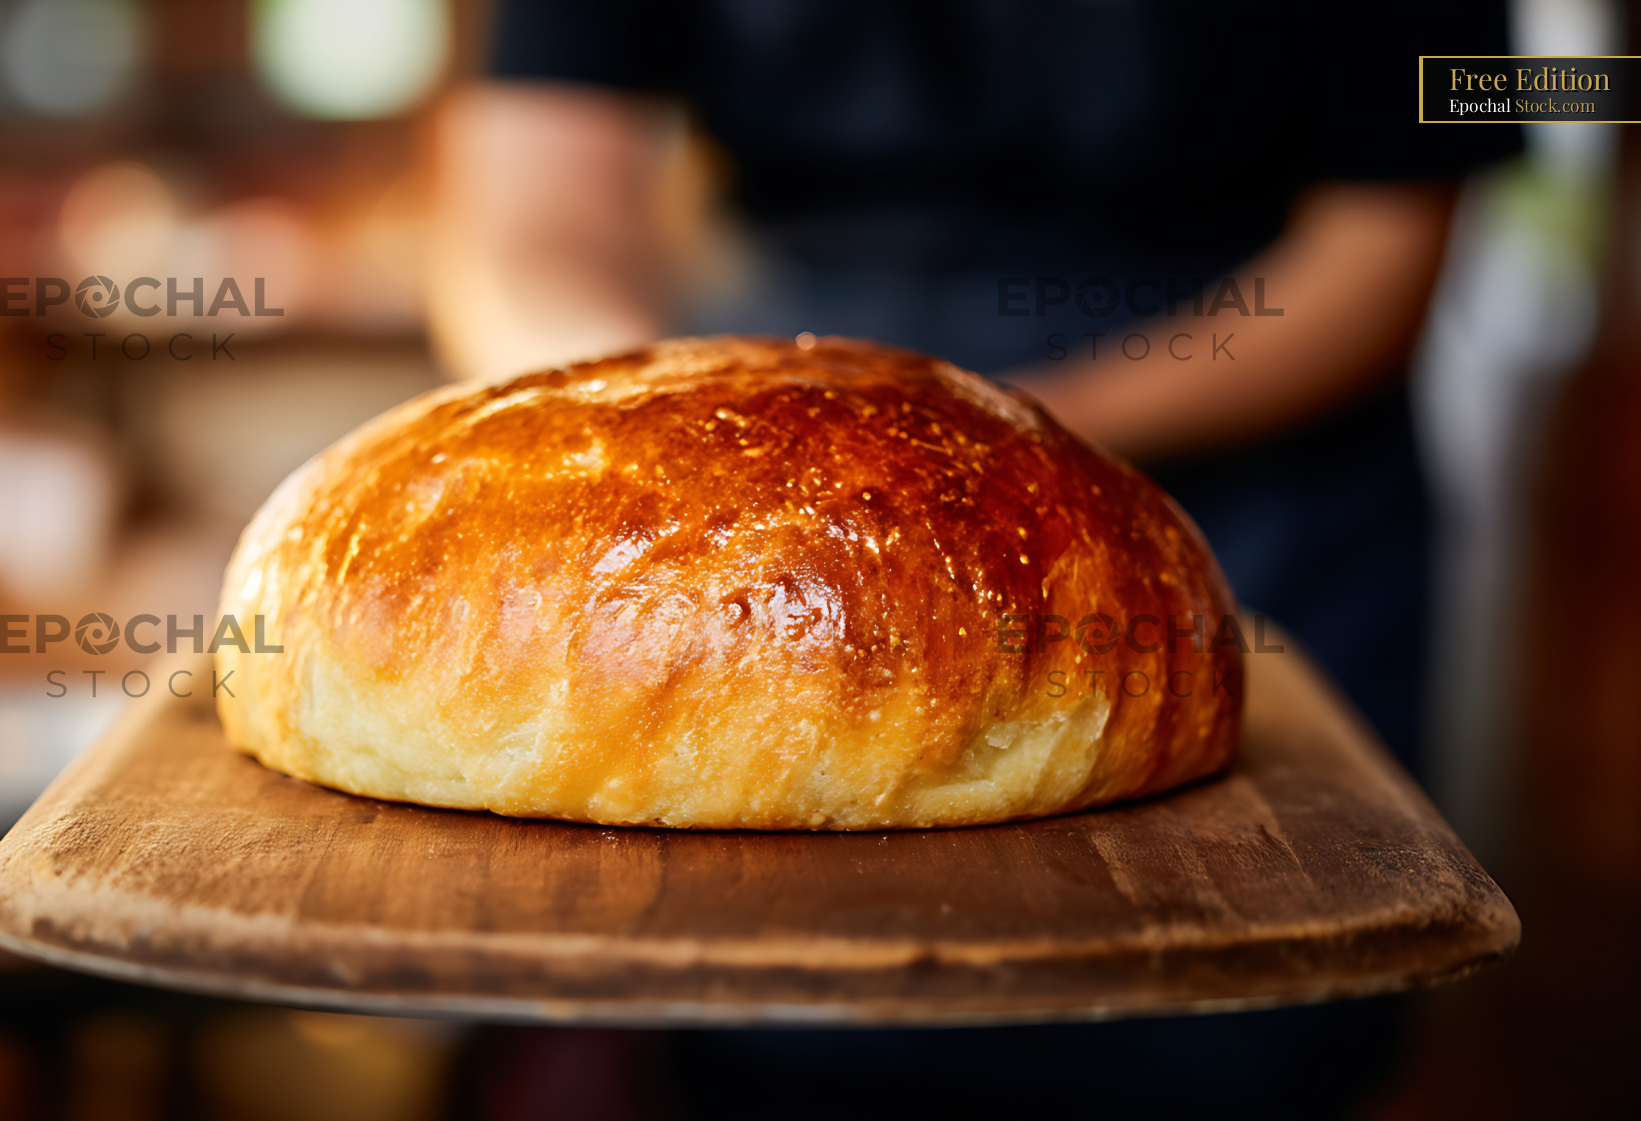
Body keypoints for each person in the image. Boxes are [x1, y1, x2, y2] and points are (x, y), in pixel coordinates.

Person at [428, 2, 1520, 1117]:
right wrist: (643, 436)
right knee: (787, 1034)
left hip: (1241, 485)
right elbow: (530, 218)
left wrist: (997, 441)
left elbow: (1382, 249)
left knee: (1235, 1022)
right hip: (779, 451)